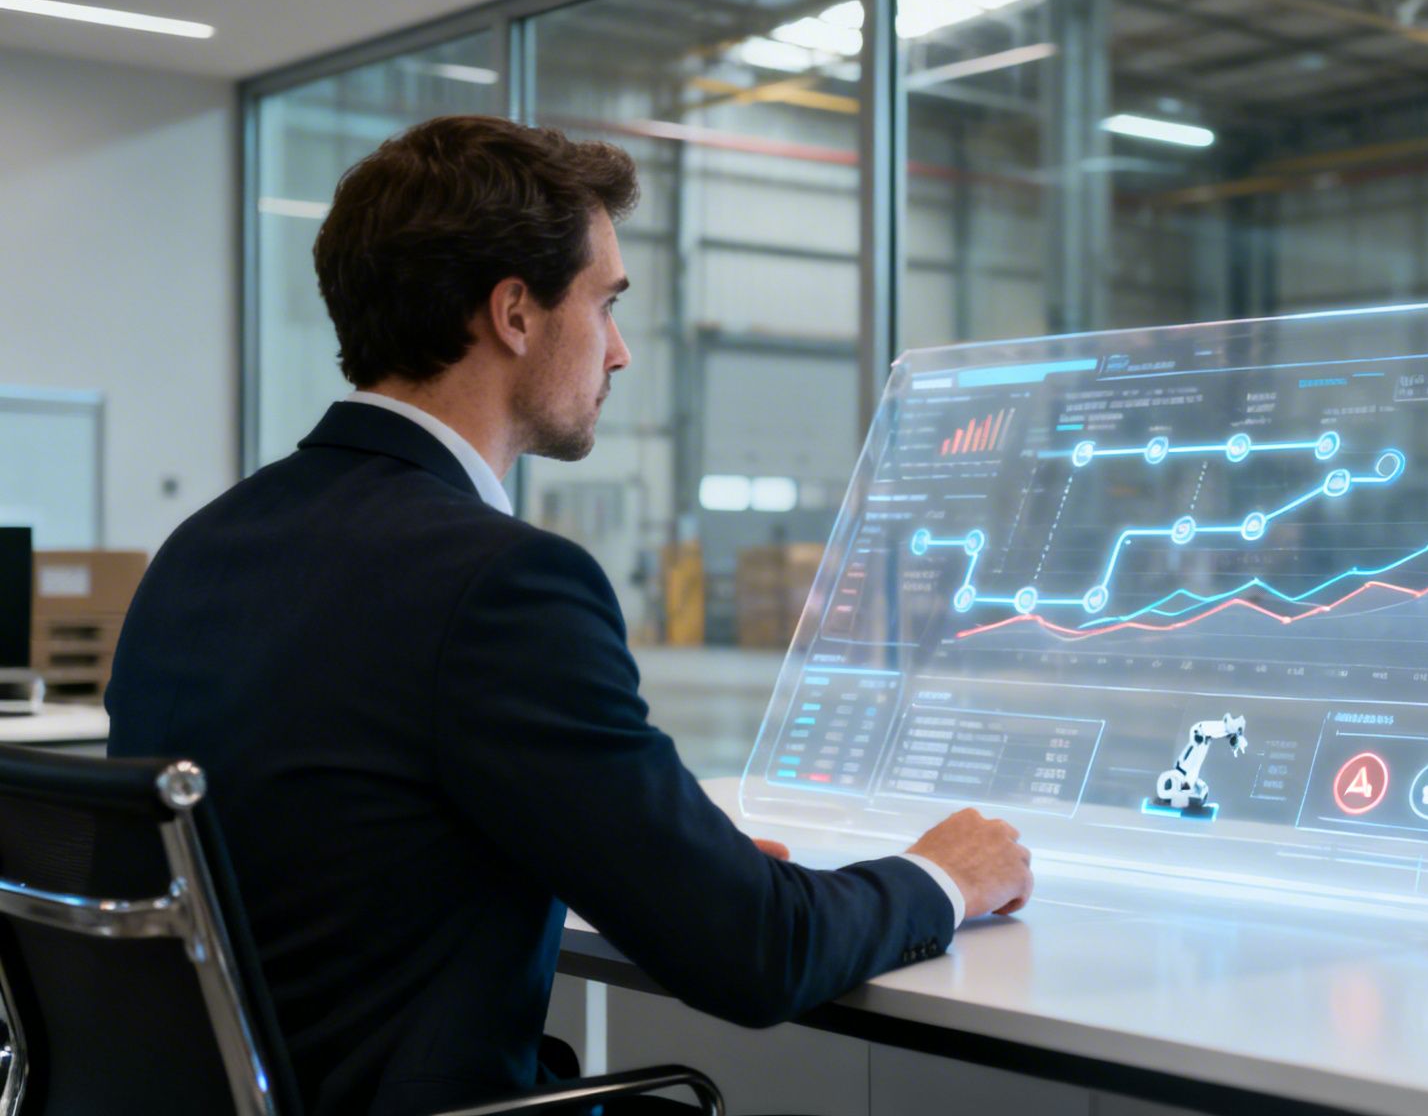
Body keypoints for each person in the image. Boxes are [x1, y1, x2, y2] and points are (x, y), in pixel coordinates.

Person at [106, 115, 1033, 1116]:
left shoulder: (201, 548)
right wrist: (940, 875)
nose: (621, 351)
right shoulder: (499, 583)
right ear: (513, 313)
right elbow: (756, 955)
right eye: (605, 303)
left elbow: (344, 834)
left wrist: (654, 848)